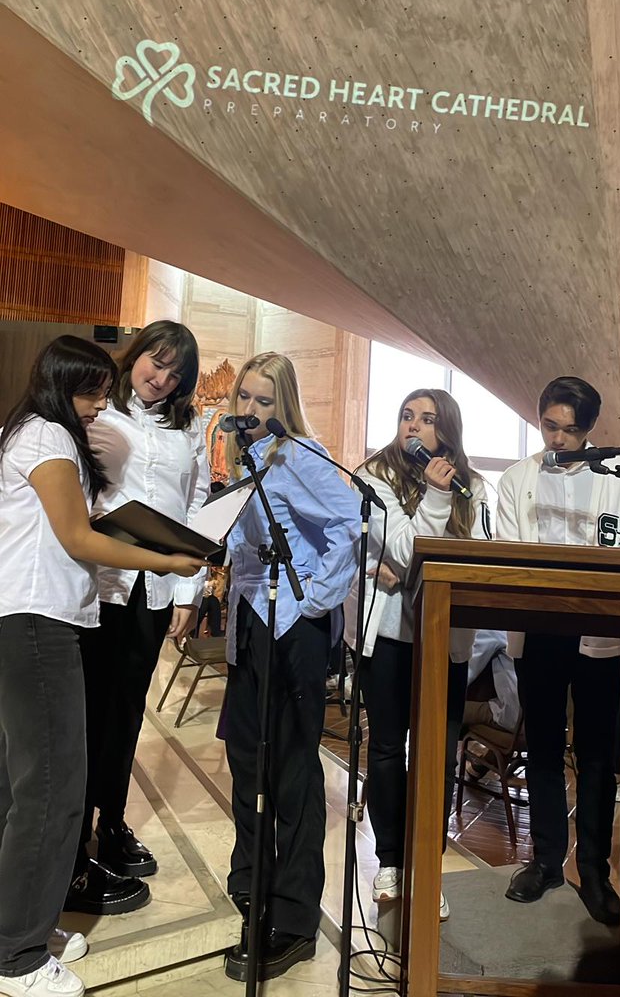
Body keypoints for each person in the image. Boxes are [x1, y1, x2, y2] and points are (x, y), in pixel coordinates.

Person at [0, 336, 202, 997]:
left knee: (29, 784)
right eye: (89, 392)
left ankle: (20, 926)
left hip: (38, 617)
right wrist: (169, 561)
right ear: (64, 386)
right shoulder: (49, 438)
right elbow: (77, 536)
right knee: (54, 789)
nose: (98, 406)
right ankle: (19, 960)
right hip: (37, 621)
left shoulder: (38, 433)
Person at [216, 352, 360, 983]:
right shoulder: (242, 454)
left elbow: (350, 526)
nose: (249, 409)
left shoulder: (301, 454)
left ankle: (297, 916)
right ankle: (252, 878)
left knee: (294, 771)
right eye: (244, 397)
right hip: (251, 617)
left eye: (263, 400)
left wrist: (311, 602)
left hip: (291, 623)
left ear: (285, 406)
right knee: (248, 754)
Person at [497, 376, 620, 926]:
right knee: (542, 746)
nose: (559, 439)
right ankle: (544, 861)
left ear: (590, 429)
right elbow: (509, 550)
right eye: (550, 426)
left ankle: (594, 870)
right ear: (539, 418)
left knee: (595, 753)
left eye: (571, 430)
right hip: (540, 627)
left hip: (600, 629)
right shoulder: (518, 478)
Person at [65, 322, 211, 917]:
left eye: (176, 372)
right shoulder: (99, 411)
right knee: (86, 712)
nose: (163, 377)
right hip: (98, 583)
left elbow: (196, 502)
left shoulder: (188, 425)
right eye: (157, 360)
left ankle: (113, 822)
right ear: (137, 354)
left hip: (155, 587)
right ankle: (72, 844)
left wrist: (188, 590)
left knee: (128, 711)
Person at [343, 388, 491, 919]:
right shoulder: (374, 475)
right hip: (389, 637)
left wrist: (443, 502)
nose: (414, 427)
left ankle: (427, 864)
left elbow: (480, 556)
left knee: (438, 754)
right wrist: (431, 497)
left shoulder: (473, 487)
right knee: (385, 750)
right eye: (407, 416)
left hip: (444, 641)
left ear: (446, 431)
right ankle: (389, 860)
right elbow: (407, 551)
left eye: (427, 420)